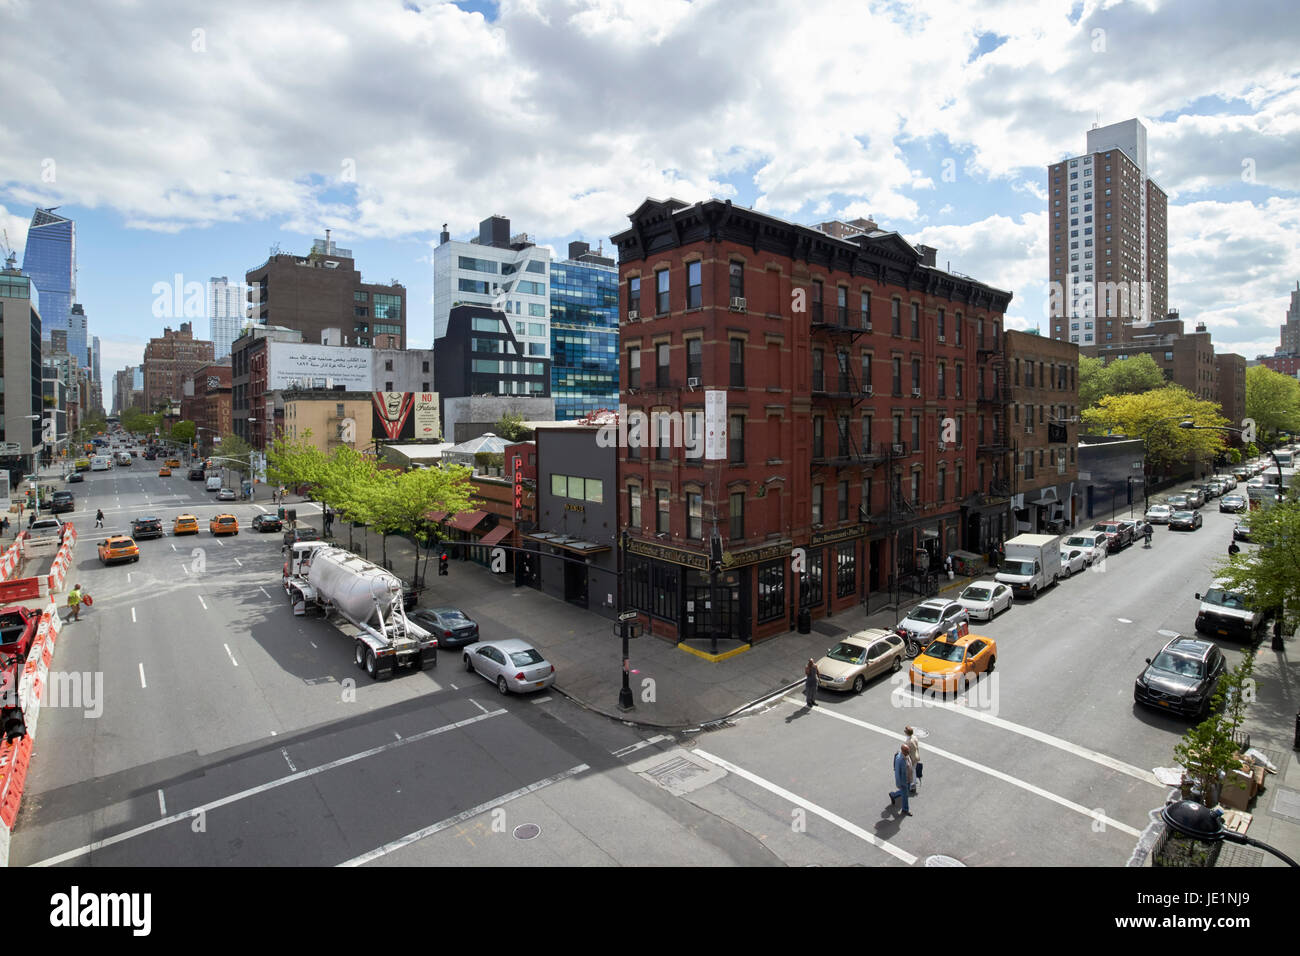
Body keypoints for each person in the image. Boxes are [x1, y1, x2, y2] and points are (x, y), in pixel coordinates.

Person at [890, 743, 912, 816]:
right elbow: (897, 773)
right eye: (907, 751)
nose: (909, 752)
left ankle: (893, 795)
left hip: (908, 779)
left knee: (905, 792)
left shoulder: (906, 755)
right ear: (903, 751)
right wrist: (899, 784)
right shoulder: (899, 760)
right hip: (903, 781)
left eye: (908, 750)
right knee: (905, 795)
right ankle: (905, 810)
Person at [904, 726, 922, 795]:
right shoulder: (914, 737)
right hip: (916, 756)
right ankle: (912, 783)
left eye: (905, 731)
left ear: (907, 733)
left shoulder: (908, 742)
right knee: (913, 770)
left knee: (911, 772)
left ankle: (912, 785)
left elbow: (906, 752)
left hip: (912, 758)